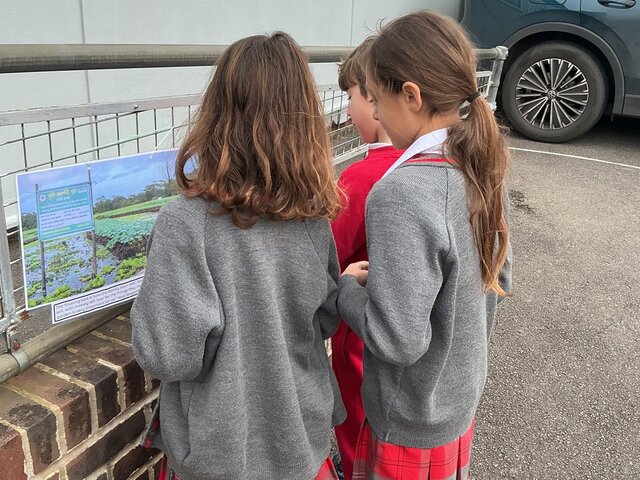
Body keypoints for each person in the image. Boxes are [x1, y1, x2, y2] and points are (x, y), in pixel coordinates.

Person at [131, 32, 346, 480]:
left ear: (216, 113)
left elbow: (167, 356)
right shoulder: (311, 215)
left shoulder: (184, 222)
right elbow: (325, 318)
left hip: (217, 456)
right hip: (300, 445)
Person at [336, 11, 513, 480]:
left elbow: (397, 340)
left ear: (411, 96)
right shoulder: (482, 162)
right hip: (458, 400)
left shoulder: (401, 192)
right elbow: (499, 277)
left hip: (409, 417)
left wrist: (346, 291)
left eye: (377, 99)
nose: (375, 114)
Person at [330, 38, 403, 480]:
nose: (348, 109)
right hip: (408, 336)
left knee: (356, 420)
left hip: (361, 334)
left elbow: (326, 254)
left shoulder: (361, 177)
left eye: (351, 97)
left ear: (375, 101)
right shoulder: (438, 164)